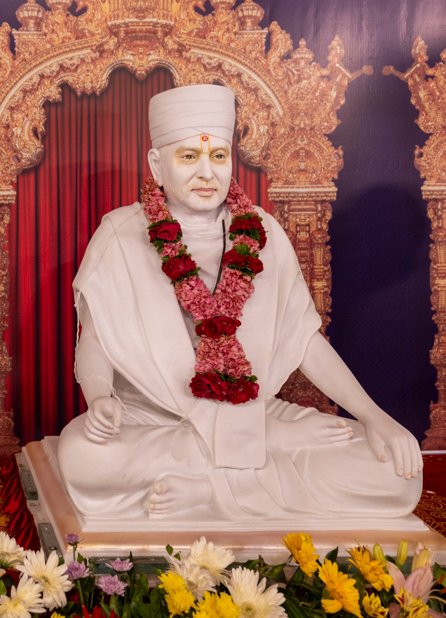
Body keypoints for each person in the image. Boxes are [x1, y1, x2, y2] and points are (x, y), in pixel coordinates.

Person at [56, 84, 422, 522]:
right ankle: (249, 457)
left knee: (398, 475)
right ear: (157, 165)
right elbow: (95, 340)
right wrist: (98, 399)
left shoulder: (262, 232)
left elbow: (304, 341)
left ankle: (208, 485)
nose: (206, 172)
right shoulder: (120, 233)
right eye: (188, 157)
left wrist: (374, 416)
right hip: (154, 421)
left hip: (249, 413)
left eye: (218, 156)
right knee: (82, 455)